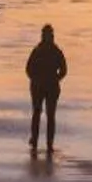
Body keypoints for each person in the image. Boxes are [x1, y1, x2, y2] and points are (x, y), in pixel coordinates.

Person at [27, 24, 68, 152]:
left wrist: (36, 79)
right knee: (44, 114)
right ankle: (40, 142)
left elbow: (29, 69)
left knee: (42, 114)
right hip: (45, 86)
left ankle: (43, 143)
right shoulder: (52, 51)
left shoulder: (40, 50)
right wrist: (55, 78)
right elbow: (63, 70)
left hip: (45, 87)